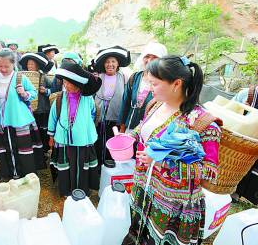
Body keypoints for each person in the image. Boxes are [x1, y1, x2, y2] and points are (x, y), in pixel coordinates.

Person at [123, 56, 222, 245]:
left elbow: (208, 172)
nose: (149, 88)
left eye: (154, 83)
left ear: (176, 83)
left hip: (172, 204)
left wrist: (160, 161)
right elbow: (145, 127)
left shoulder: (202, 124)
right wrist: (131, 136)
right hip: (143, 187)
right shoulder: (156, 104)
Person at [0, 48, 44, 179]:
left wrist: (24, 93)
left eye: (7, 66)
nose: (3, 69)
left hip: (19, 119)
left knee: (23, 149)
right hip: (1, 121)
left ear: (13, 64)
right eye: (0, 66)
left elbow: (33, 92)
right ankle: (9, 174)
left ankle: (26, 176)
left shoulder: (20, 77)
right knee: (5, 148)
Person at [48, 61, 102, 196]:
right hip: (64, 140)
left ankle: (82, 190)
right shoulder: (60, 98)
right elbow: (53, 117)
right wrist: (51, 136)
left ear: (78, 84)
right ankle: (67, 190)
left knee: (81, 165)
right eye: (64, 82)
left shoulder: (87, 98)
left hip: (83, 139)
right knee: (67, 165)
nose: (65, 85)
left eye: (68, 83)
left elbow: (93, 113)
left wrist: (84, 126)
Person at [92, 46, 131, 165]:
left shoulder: (124, 77)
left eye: (113, 61)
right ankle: (97, 165)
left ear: (118, 63)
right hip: (99, 118)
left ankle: (110, 163)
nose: (110, 64)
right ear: (104, 64)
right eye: (107, 62)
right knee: (97, 141)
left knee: (112, 140)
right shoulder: (98, 77)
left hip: (115, 117)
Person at [119, 42, 167, 133]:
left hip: (151, 131)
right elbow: (125, 104)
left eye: (154, 57)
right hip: (130, 127)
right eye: (147, 56)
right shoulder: (135, 78)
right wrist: (122, 129)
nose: (149, 60)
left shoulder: (165, 82)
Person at [18, 52, 54, 159]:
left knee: (43, 130)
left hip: (42, 109)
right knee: (33, 130)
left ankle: (44, 151)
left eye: (32, 64)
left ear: (37, 66)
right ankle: (33, 150)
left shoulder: (43, 77)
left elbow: (53, 88)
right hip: (29, 110)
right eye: (28, 64)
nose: (30, 66)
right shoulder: (23, 77)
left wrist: (46, 91)